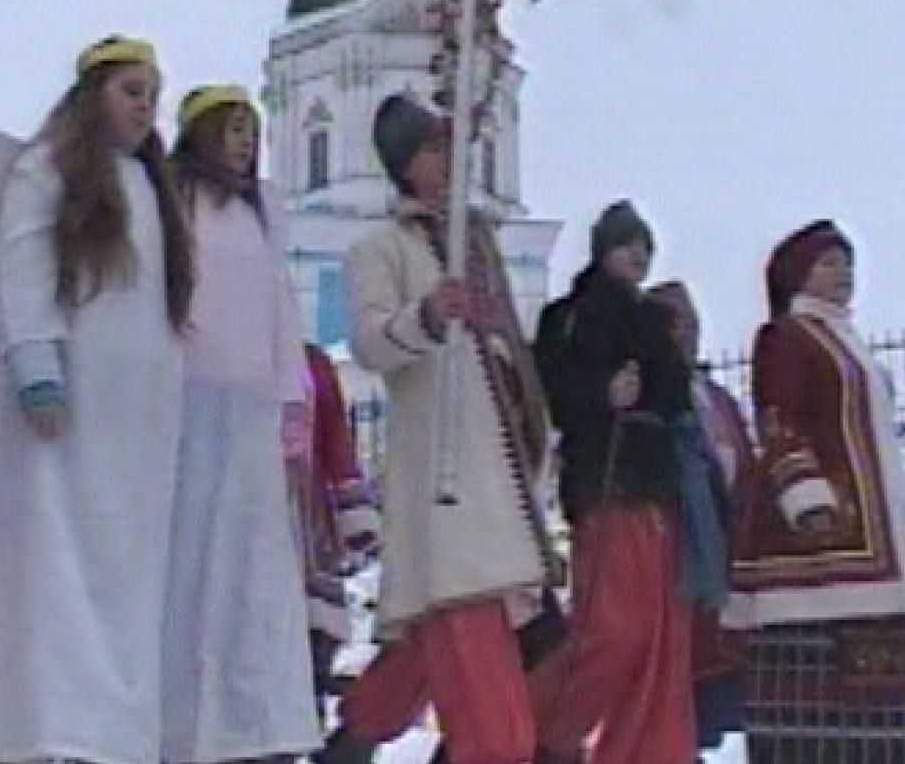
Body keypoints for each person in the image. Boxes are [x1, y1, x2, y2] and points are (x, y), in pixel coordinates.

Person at [0, 36, 193, 764]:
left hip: (136, 419)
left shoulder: (152, 188)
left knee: (127, 574)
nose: (144, 108)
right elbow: (22, 266)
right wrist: (37, 363)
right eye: (132, 91)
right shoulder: (49, 169)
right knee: (56, 566)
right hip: (66, 409)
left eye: (152, 96)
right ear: (93, 93)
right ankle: (48, 728)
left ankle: (114, 733)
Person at [322, 94, 560, 764]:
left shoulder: (477, 248)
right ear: (402, 164)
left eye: (448, 148)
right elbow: (369, 344)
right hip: (450, 512)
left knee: (456, 675)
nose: (446, 162)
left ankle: (354, 741)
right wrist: (425, 317)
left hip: (502, 507)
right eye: (430, 150)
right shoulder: (380, 250)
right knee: (497, 731)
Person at [730, 221, 905, 763]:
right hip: (818, 540)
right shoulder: (787, 336)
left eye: (848, 263)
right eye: (828, 263)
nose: (844, 274)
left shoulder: (847, 341)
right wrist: (808, 499)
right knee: (820, 688)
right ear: (797, 274)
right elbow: (779, 420)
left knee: (884, 700)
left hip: (869, 547)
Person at [161, 83, 320, 762]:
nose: (244, 143)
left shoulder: (263, 215)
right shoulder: (174, 201)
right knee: (189, 559)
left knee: (251, 566)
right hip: (187, 404)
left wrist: (293, 402)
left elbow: (279, 307)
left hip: (250, 410)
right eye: (231, 129)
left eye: (252, 131)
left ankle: (252, 722)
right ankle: (178, 720)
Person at [531, 201, 696, 764]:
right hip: (604, 481)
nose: (638, 256)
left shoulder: (651, 320)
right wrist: (603, 394)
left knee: (658, 639)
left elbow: (677, 398)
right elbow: (552, 394)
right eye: (628, 244)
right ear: (603, 249)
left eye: (645, 247)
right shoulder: (568, 317)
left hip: (653, 487)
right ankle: (543, 729)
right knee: (614, 631)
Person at [646, 280, 756, 758]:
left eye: (692, 324)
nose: (686, 335)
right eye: (673, 325)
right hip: (678, 561)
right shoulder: (651, 405)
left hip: (727, 552)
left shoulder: (718, 398)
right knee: (679, 680)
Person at [296, 343, 380, 721]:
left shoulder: (308, 365)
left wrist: (356, 520)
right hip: (304, 549)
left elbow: (336, 445)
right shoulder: (308, 364)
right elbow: (338, 448)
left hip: (303, 550)